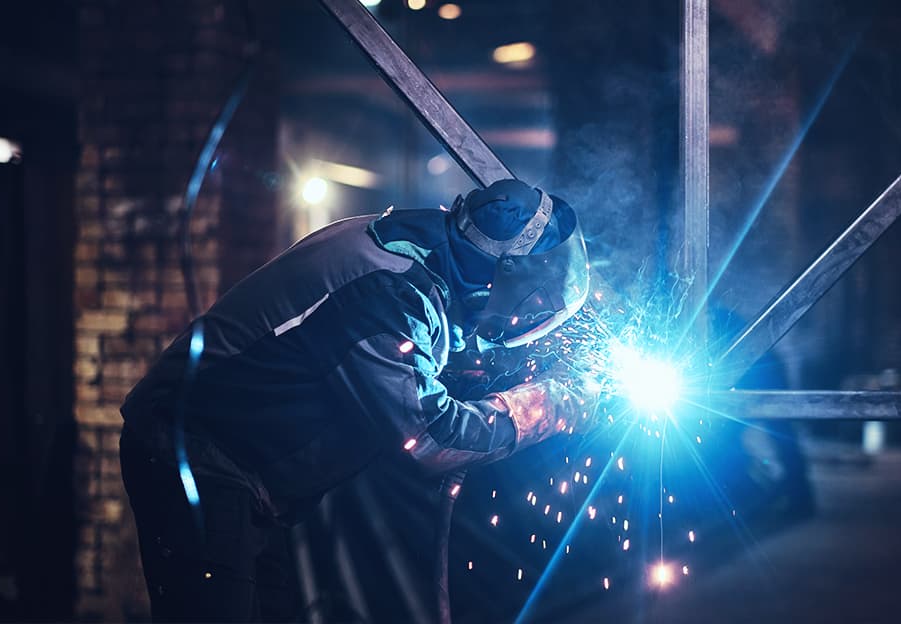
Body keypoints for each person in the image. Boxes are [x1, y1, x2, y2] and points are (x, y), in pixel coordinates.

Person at [119, 179, 593, 621]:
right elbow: (429, 438)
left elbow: (421, 348)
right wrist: (542, 409)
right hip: (191, 454)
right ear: (504, 272)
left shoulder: (427, 250)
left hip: (240, 469)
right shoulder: (387, 293)